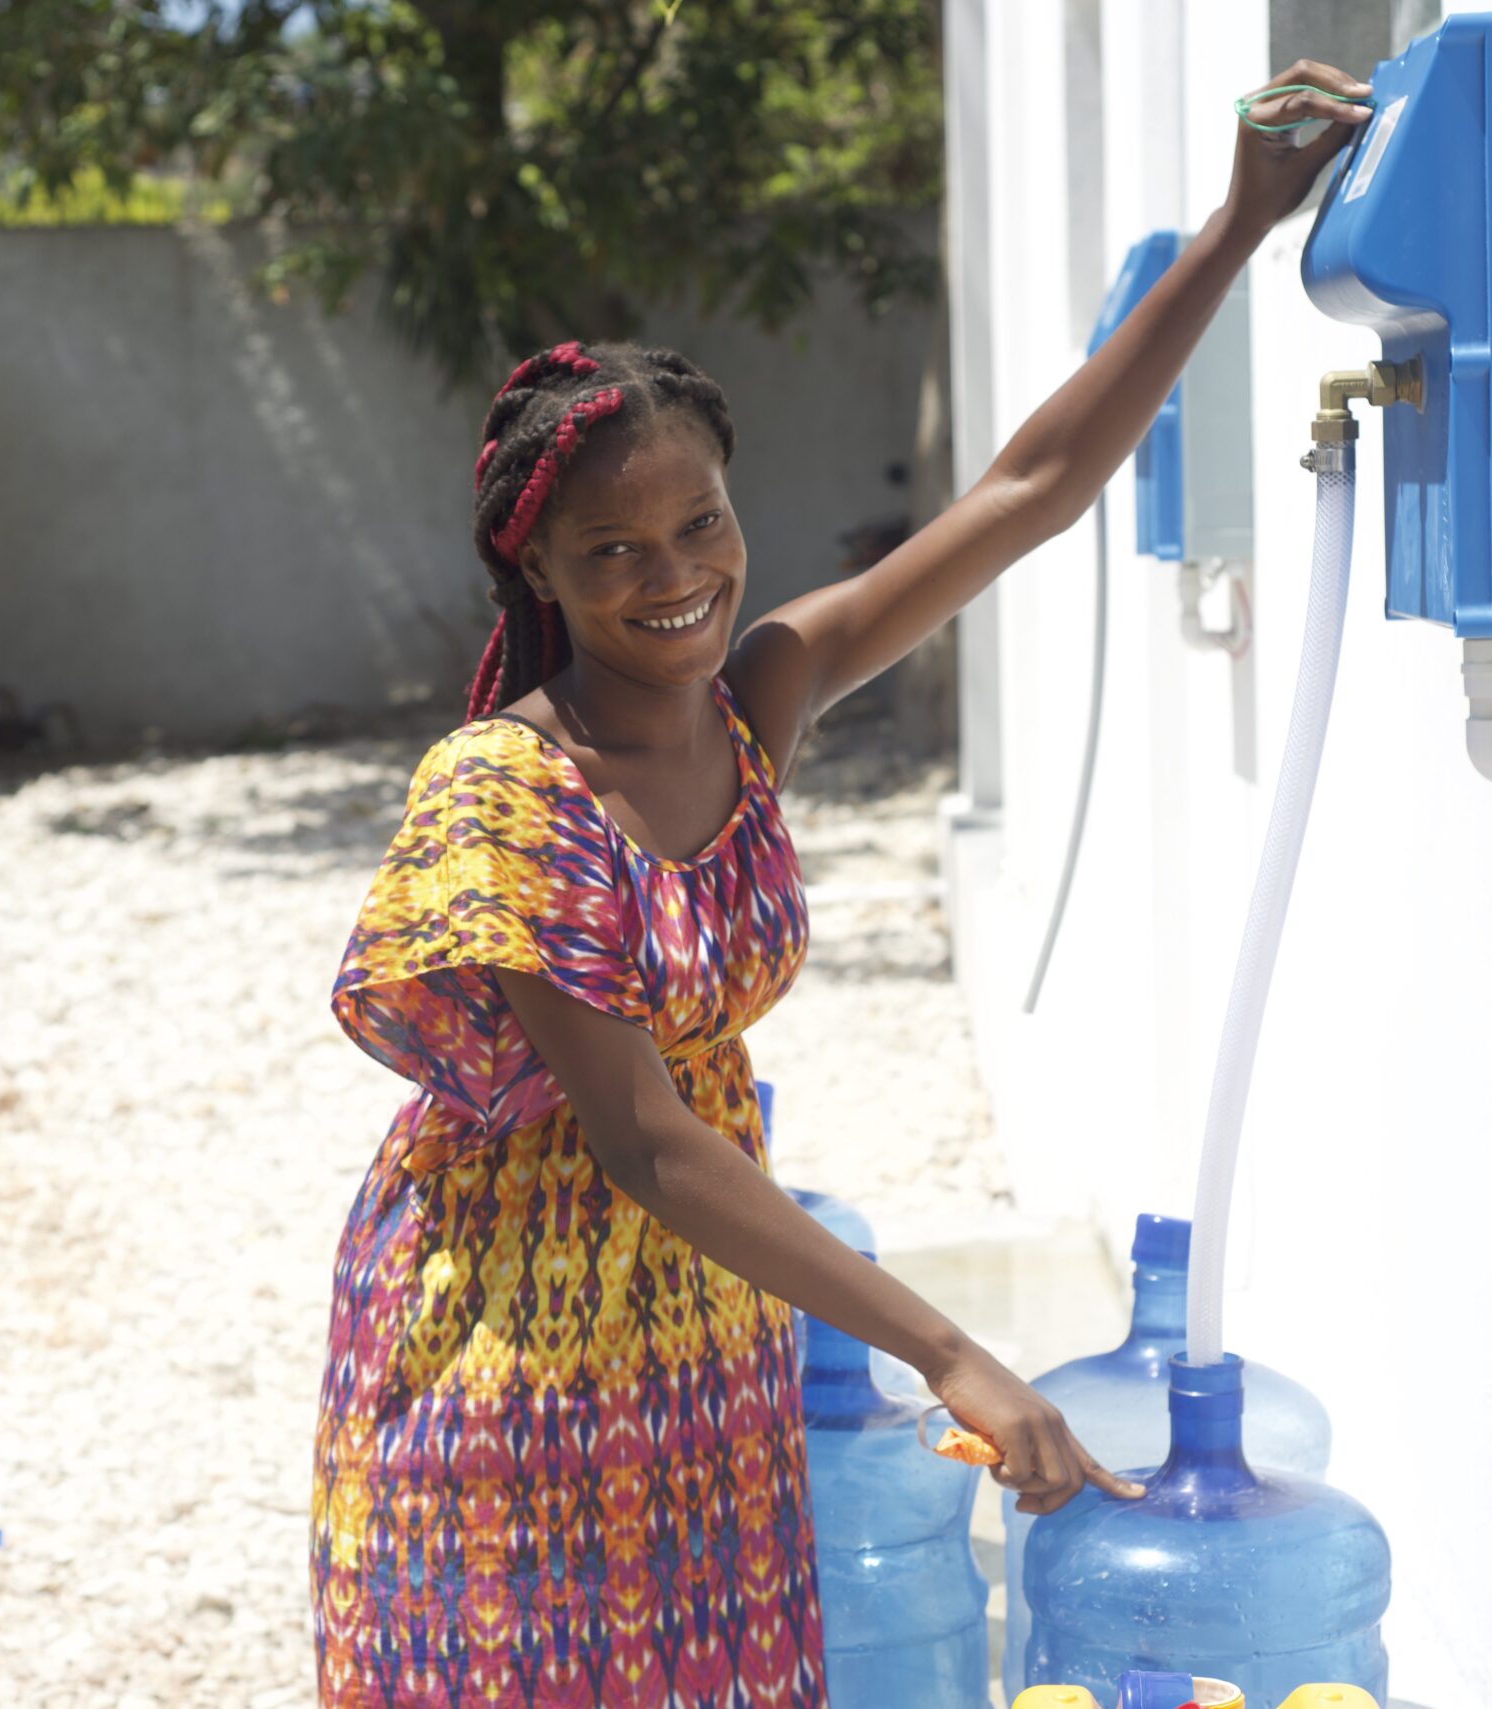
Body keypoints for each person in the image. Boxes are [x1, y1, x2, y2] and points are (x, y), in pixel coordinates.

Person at [307, 63, 1374, 1709]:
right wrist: (948, 1344)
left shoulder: (755, 701)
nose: (676, 578)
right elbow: (648, 1140)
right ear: (535, 565)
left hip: (699, 1359)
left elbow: (1029, 491)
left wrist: (1237, 228)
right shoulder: (502, 796)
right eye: (614, 550)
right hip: (507, 1373)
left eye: (700, 524)